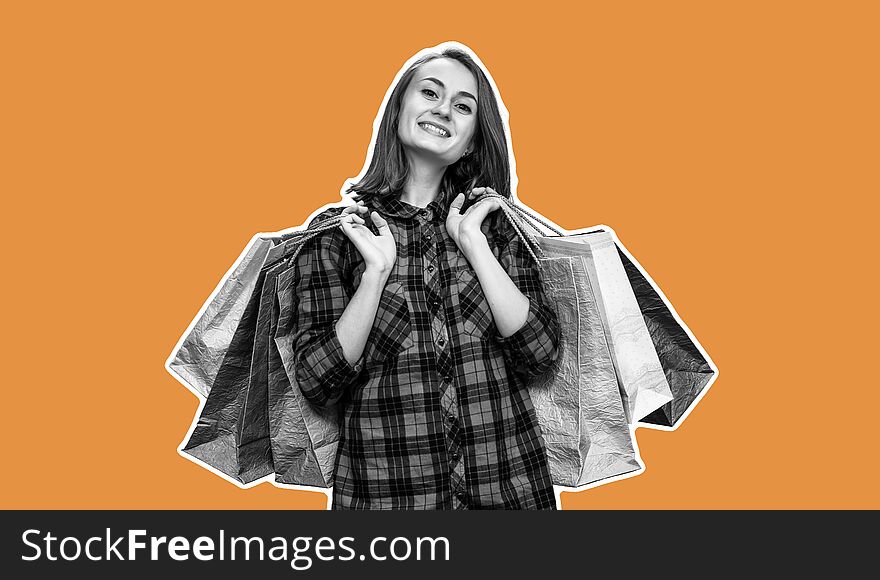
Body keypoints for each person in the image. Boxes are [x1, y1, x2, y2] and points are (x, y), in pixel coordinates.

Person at [283, 45, 561, 509]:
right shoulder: (338, 236)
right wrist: (375, 274)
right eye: (429, 92)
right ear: (399, 111)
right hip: (387, 505)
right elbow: (317, 383)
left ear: (471, 139)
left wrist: (475, 247)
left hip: (510, 493)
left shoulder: (494, 226)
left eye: (463, 105)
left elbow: (541, 354)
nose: (443, 109)